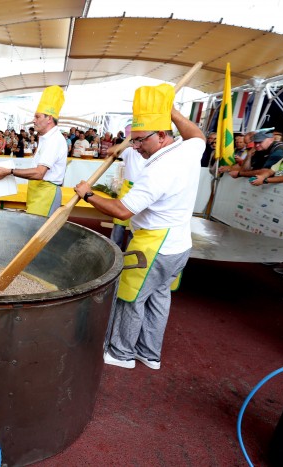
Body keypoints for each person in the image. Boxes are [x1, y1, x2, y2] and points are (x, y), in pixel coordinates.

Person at [74, 83, 204, 370]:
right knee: (159, 297)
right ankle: (149, 352)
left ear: (160, 136)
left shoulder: (158, 170)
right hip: (179, 244)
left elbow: (122, 211)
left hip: (154, 245)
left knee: (130, 296)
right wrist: (170, 110)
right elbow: (196, 134)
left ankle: (121, 353)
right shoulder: (188, 150)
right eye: (133, 140)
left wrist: (88, 193)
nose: (135, 147)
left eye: (140, 141)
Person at [0, 86, 67, 216]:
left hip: (46, 193)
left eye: (37, 117)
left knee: (39, 234)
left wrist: (9, 172)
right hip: (39, 191)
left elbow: (39, 173)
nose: (34, 120)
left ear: (49, 118)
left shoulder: (54, 140)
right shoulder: (46, 138)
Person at [109, 146, 145, 250]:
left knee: (136, 226)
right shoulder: (130, 150)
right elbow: (111, 151)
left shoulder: (152, 153)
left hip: (141, 191)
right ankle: (114, 251)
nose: (138, 144)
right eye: (136, 140)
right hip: (127, 189)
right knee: (119, 225)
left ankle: (129, 252)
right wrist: (128, 143)